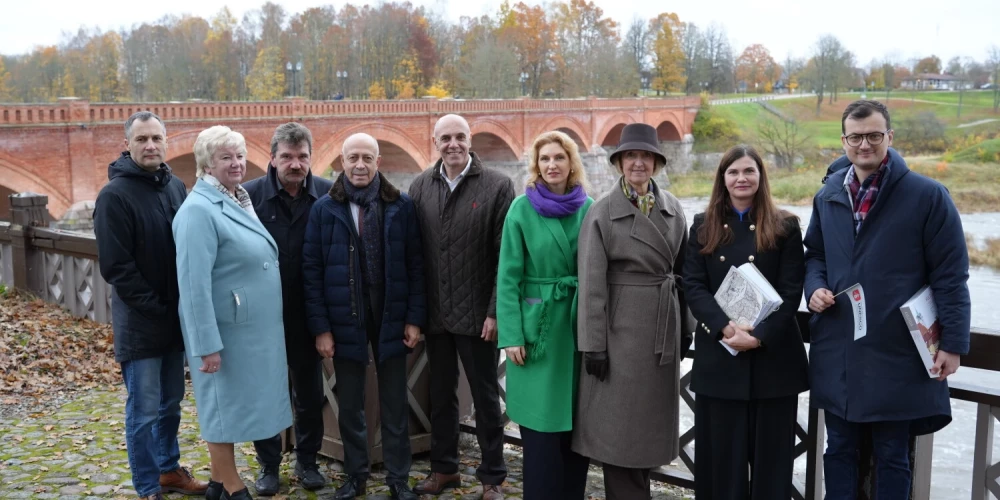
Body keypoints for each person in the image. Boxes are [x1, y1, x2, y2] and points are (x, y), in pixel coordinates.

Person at [804, 99, 971, 499]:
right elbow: (815, 255)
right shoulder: (828, 195)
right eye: (856, 137)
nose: (865, 145)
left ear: (889, 137)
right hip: (841, 346)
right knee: (838, 449)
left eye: (874, 136)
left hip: (898, 350)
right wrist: (815, 288)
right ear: (844, 141)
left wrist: (953, 343)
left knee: (893, 455)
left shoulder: (927, 196)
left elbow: (951, 274)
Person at [302, 133, 425, 500]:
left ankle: (398, 478)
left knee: (394, 403)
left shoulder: (400, 206)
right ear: (341, 162)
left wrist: (414, 319)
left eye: (366, 158)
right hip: (344, 318)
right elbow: (311, 272)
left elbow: (416, 266)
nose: (359, 165)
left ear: (378, 162)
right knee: (351, 405)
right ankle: (356, 477)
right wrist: (321, 328)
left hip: (391, 314)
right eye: (352, 158)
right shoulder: (325, 210)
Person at [94, 111, 209, 500]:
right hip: (141, 323)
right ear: (127, 144)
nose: (150, 145)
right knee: (143, 411)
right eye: (141, 139)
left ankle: (168, 469)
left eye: (156, 138)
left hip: (175, 321)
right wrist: (158, 308)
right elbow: (116, 267)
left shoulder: (175, 186)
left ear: (166, 141)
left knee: (172, 404)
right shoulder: (114, 196)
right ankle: (147, 487)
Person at [173, 126, 292, 500]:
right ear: (207, 163)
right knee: (221, 406)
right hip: (226, 332)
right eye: (226, 157)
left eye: (240, 155)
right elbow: (193, 286)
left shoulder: (238, 198)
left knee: (234, 405)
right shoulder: (197, 211)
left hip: (250, 331)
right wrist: (205, 344)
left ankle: (219, 485)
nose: (237, 163)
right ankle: (230, 483)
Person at [682, 145, 809, 499]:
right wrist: (725, 327)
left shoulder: (784, 226)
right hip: (720, 359)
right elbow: (692, 284)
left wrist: (759, 337)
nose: (742, 178)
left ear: (760, 177)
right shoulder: (703, 226)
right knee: (720, 465)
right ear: (722, 179)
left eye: (748, 171)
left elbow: (791, 290)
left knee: (772, 468)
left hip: (773, 364)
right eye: (734, 172)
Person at [572, 122, 691, 500]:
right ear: (620, 162)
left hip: (661, 334)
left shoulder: (673, 208)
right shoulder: (602, 212)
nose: (638, 163)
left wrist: (684, 327)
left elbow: (683, 274)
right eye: (630, 156)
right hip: (619, 336)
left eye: (646, 156)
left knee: (647, 434)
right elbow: (591, 282)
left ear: (656, 163)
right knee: (619, 434)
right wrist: (593, 344)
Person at [409, 114, 515, 500]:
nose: (452, 144)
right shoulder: (421, 186)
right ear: (434, 142)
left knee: (487, 397)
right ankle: (444, 469)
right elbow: (415, 254)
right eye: (445, 138)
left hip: (477, 316)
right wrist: (415, 316)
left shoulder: (497, 186)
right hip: (436, 316)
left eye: (459, 137)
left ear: (470, 140)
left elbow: (506, 256)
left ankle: (492, 477)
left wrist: (495, 311)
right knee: (440, 396)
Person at [496, 131, 594, 499]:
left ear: (572, 164)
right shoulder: (521, 208)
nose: (552, 165)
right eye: (545, 159)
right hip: (536, 330)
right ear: (536, 166)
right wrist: (511, 335)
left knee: (575, 430)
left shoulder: (589, 208)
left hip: (577, 326)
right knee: (540, 434)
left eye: (559, 157)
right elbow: (507, 277)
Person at [242, 123, 333, 495]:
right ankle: (268, 465)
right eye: (287, 157)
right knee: (265, 393)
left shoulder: (327, 195)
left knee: (310, 395)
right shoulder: (248, 197)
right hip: (262, 316)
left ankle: (308, 462)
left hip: (309, 313)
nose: (296, 164)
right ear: (273, 158)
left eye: (302, 157)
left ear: (310, 158)